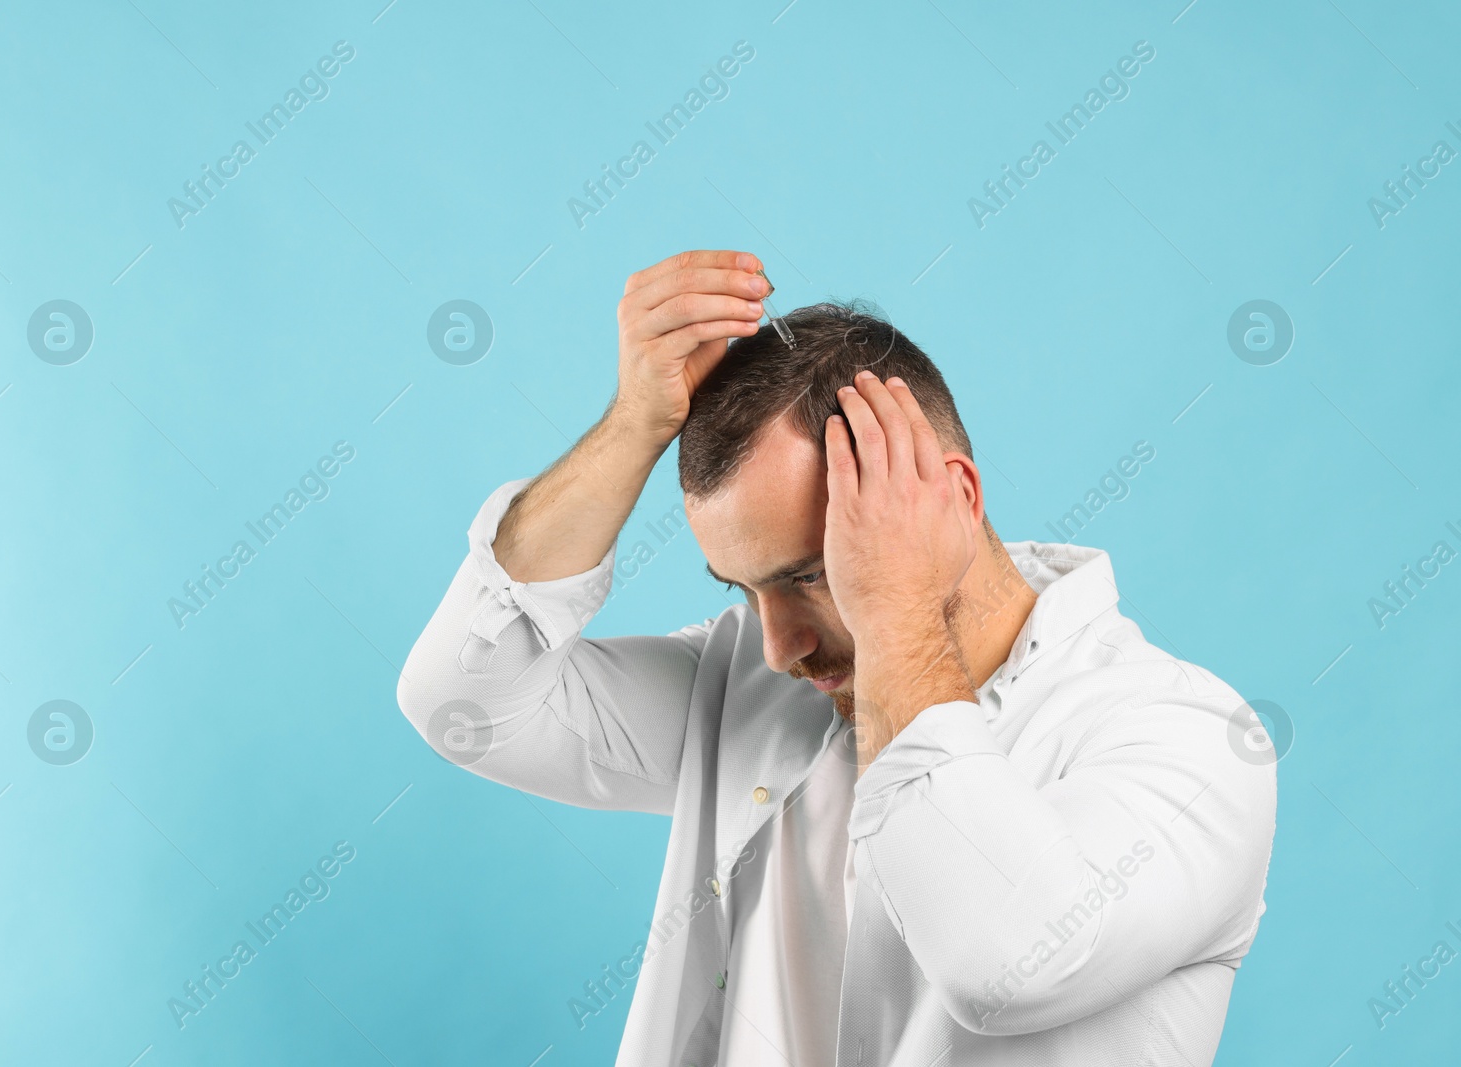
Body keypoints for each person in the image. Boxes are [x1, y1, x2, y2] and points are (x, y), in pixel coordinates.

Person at [397, 249, 1276, 1066]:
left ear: (955, 498)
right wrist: (632, 427)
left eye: (812, 575)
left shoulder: (1192, 740)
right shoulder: (750, 679)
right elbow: (464, 703)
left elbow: (1003, 963)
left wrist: (892, 607)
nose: (778, 646)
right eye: (743, 590)